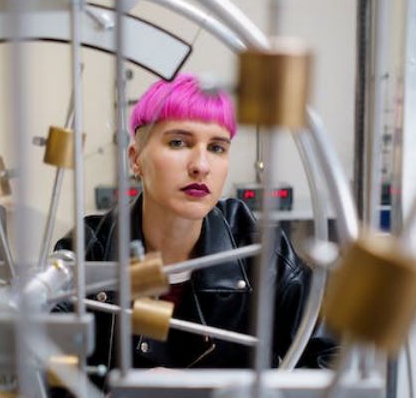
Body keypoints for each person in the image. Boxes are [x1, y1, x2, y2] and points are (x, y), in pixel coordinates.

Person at [55, 73, 336, 388]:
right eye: (178, 142)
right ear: (136, 159)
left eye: (217, 147)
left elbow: (334, 363)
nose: (201, 165)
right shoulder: (88, 249)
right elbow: (42, 373)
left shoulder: (259, 252)